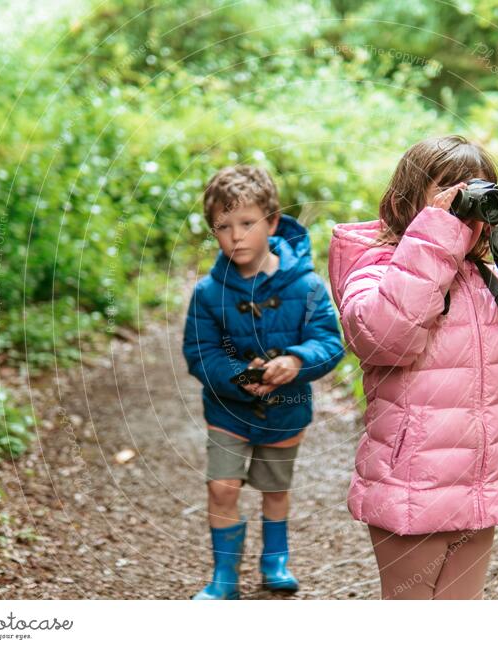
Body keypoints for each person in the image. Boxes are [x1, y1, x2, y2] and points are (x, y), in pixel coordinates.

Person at [327, 135, 498, 599]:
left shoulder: (491, 281)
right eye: (450, 192)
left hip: (480, 481)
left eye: (479, 193)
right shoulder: (377, 268)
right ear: (405, 201)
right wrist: (438, 234)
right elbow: (385, 336)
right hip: (413, 481)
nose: (467, 208)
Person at [183, 164, 345, 599]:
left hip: (286, 407)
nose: (235, 236)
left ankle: (275, 560)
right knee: (221, 486)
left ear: (272, 222)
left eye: (247, 223)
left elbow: (329, 342)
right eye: (223, 226)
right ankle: (224, 577)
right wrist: (236, 376)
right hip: (227, 409)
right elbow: (200, 353)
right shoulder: (207, 293)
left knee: (275, 488)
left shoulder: (307, 286)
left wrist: (296, 360)